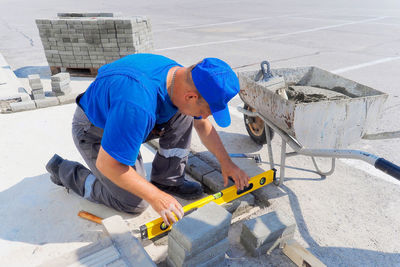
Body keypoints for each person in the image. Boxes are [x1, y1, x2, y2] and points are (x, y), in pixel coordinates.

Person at [46, 53, 249, 226]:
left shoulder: (181, 78)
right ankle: (63, 171)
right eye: (206, 110)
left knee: (184, 115)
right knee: (134, 202)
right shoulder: (137, 103)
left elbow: (201, 125)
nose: (205, 116)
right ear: (191, 97)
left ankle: (167, 181)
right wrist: (155, 197)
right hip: (94, 131)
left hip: (126, 117)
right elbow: (108, 165)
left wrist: (226, 162)